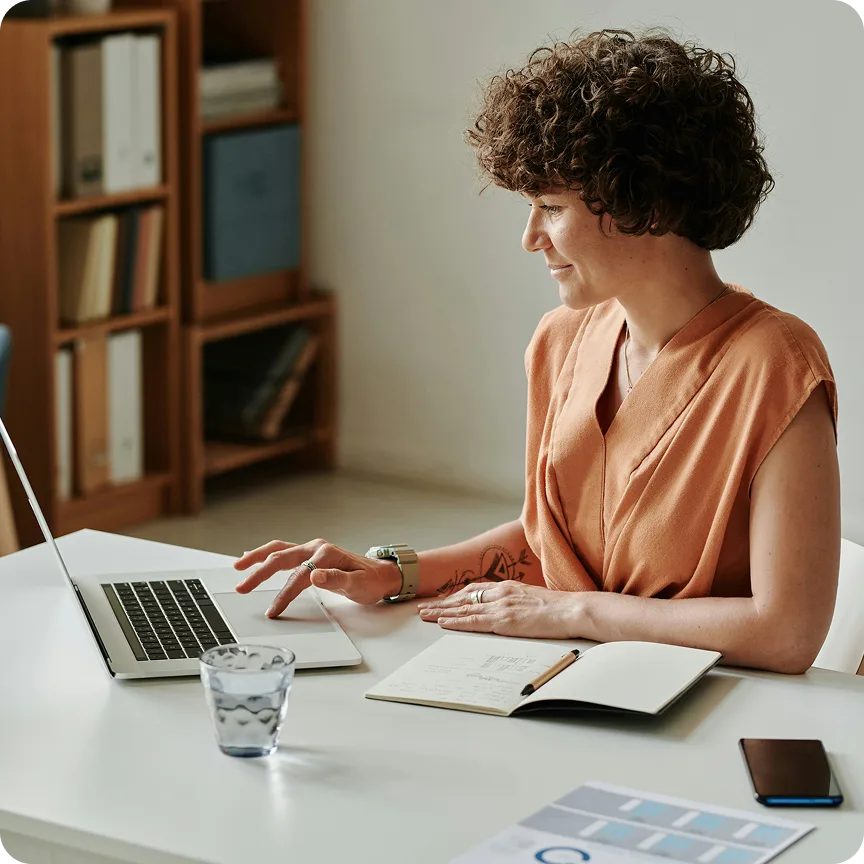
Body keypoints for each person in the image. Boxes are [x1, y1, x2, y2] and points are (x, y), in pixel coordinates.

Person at [234, 28, 840, 674]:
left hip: (708, 703)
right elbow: (552, 544)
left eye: (550, 206)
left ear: (649, 203)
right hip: (570, 678)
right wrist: (394, 573)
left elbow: (786, 634)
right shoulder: (563, 341)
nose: (531, 238)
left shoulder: (776, 363)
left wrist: (574, 613)